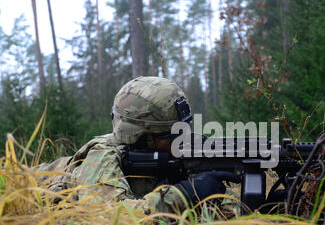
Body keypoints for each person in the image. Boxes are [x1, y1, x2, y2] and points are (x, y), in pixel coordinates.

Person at [36, 76, 241, 216]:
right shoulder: (103, 155)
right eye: (173, 134)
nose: (182, 139)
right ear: (140, 137)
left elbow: (222, 208)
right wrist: (182, 195)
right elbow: (110, 217)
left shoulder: (178, 156)